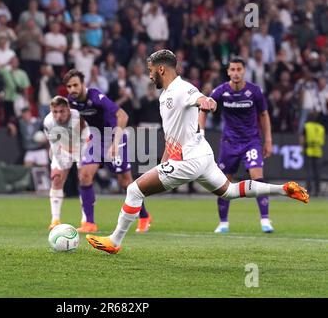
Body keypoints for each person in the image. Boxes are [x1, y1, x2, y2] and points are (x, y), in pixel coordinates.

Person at [86, 50, 309, 254]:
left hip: (189, 160)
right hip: (201, 155)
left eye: (151, 70)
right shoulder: (165, 94)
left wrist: (208, 103)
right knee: (229, 191)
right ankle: (283, 190)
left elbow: (201, 98)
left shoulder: (182, 88)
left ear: (161, 69)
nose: (150, 75)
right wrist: (163, 162)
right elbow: (171, 136)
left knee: (134, 190)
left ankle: (114, 241)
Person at [64, 69, 152, 233]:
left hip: (114, 136)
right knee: (84, 175)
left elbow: (123, 116)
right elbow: (83, 119)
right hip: (96, 139)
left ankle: (144, 216)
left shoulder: (96, 97)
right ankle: (89, 223)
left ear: (83, 84)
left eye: (75, 85)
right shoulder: (72, 101)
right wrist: (78, 139)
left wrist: (115, 143)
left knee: (125, 182)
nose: (72, 89)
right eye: (69, 86)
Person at [199, 58, 275, 234]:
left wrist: (268, 140)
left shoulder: (254, 91)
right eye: (232, 69)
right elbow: (203, 108)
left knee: (258, 179)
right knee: (224, 184)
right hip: (229, 143)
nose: (235, 72)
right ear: (228, 72)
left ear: (244, 71)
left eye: (238, 69)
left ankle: (265, 220)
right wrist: (201, 134)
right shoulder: (221, 92)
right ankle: (223, 223)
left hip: (251, 142)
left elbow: (264, 115)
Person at [43, 95, 89, 229]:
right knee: (56, 178)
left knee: (84, 178)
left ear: (68, 109)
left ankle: (86, 220)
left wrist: (78, 156)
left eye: (61, 111)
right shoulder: (48, 122)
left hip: (82, 145)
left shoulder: (77, 117)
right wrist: (60, 167)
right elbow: (54, 146)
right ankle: (55, 220)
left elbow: (86, 136)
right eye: (55, 112)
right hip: (62, 147)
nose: (58, 115)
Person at [300, 112, 325, 197]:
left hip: (308, 150)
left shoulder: (307, 126)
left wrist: (302, 148)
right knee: (317, 173)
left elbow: (302, 139)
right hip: (318, 152)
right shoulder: (321, 128)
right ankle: (318, 190)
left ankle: (309, 190)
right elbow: (322, 141)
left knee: (309, 172)